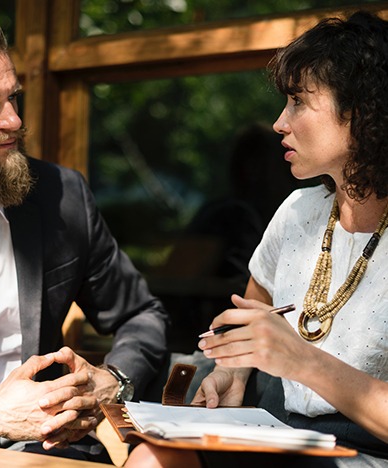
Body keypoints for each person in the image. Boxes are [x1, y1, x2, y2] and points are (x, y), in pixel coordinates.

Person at [125, 10, 388, 468]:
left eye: (299, 102)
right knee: (153, 456)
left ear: (362, 111)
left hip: (364, 455)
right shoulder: (298, 211)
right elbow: (254, 313)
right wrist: (233, 369)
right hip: (277, 436)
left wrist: (303, 361)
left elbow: (293, 353)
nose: (279, 123)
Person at [0, 1, 169, 463]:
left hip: (46, 452)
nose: (12, 120)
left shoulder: (61, 196)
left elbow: (143, 316)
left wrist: (113, 380)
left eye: (12, 97)